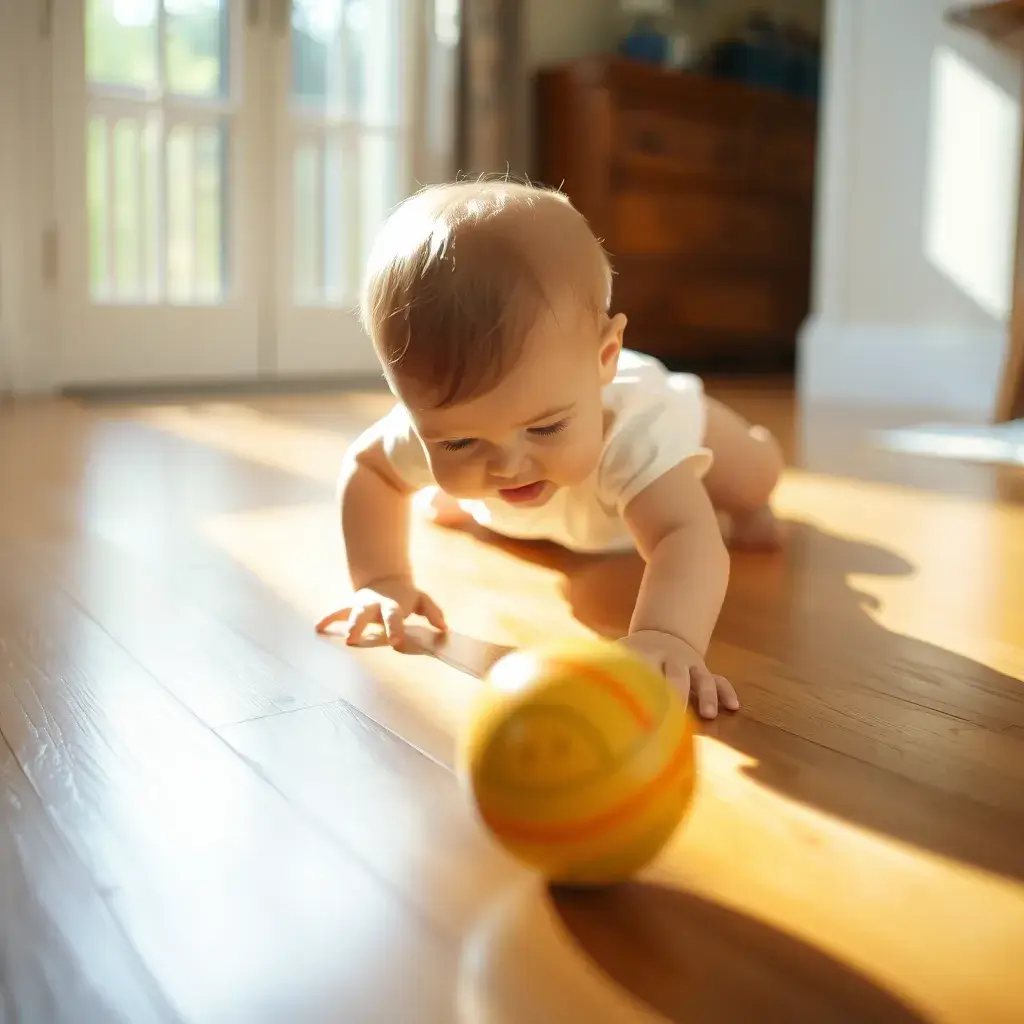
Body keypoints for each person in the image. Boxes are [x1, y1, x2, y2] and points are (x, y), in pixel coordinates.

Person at [319, 181, 784, 718]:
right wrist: (382, 580)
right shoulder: (438, 425)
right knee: (476, 484)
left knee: (752, 478)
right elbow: (369, 468)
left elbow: (687, 535)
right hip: (583, 507)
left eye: (544, 429)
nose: (508, 464)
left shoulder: (635, 431)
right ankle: (487, 495)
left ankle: (755, 466)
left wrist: (667, 636)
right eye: (461, 441)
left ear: (605, 355)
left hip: (661, 425)